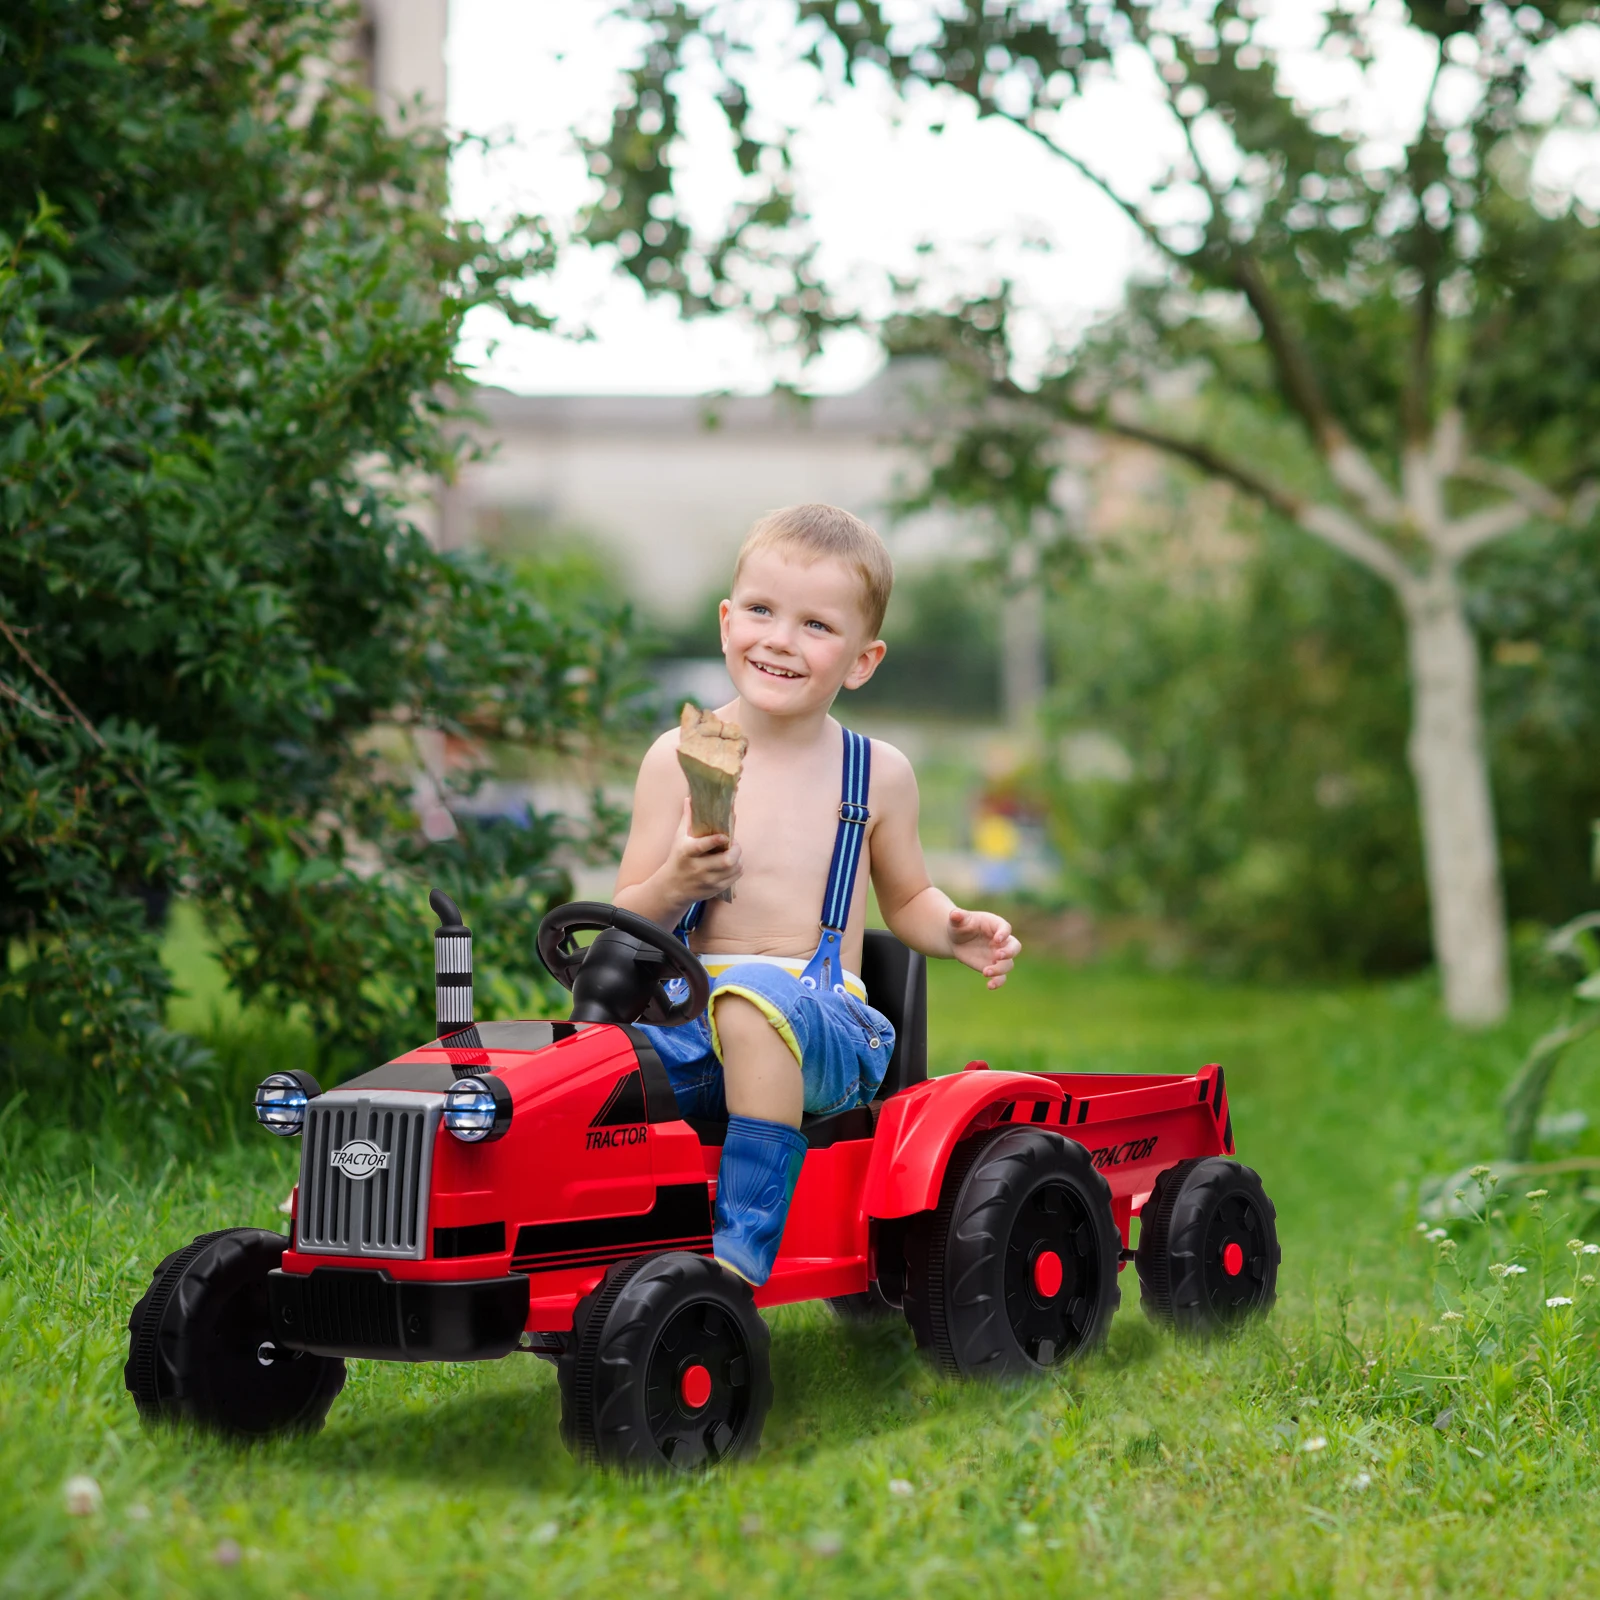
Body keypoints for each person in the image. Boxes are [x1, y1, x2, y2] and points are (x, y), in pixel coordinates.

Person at [613, 503, 1022, 1286]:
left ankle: (741, 1248)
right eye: (762, 611)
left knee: (754, 1004)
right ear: (728, 620)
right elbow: (629, 919)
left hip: (825, 1022)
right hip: (687, 1014)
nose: (779, 639)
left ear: (862, 660)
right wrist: (673, 883)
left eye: (816, 626)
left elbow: (907, 898)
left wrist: (952, 928)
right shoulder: (682, 756)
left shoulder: (876, 774)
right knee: (587, 1060)